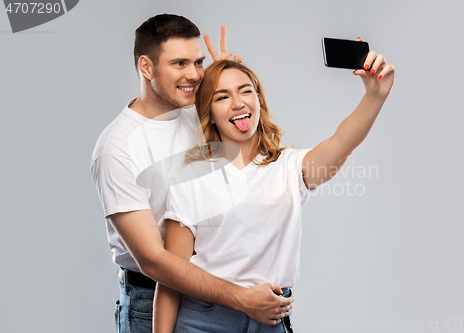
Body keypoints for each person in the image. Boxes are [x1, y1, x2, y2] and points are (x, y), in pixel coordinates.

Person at [153, 46, 395, 333]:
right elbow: (172, 278)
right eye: (222, 96)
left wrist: (375, 96)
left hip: (270, 320)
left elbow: (341, 144)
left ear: (259, 99)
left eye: (245, 91)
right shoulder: (191, 177)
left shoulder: (290, 167)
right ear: (209, 112)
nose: (237, 103)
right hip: (204, 321)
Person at [90, 14, 293, 333]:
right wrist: (242, 298)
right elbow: (154, 261)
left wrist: (225, 82)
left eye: (198, 63)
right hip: (152, 298)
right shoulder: (117, 148)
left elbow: (256, 144)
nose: (195, 74)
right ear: (146, 67)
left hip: (215, 299)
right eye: (180, 64)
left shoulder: (196, 113)